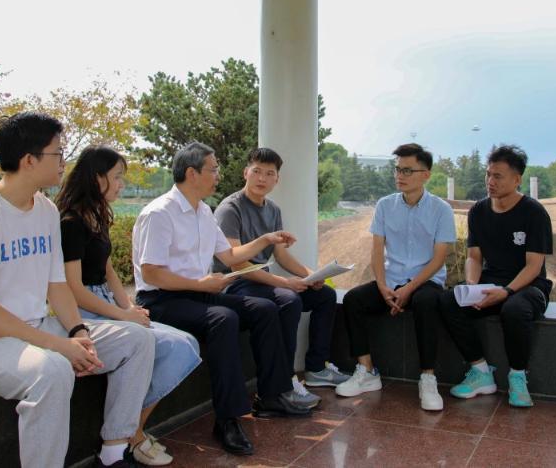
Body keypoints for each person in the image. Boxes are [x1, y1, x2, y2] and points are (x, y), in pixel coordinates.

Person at [0, 112, 155, 468]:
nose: (63, 162)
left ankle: (114, 450)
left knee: (137, 340)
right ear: (29, 160)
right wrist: (58, 345)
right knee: (54, 369)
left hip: (38, 328)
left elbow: (57, 285)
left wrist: (78, 331)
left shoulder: (44, 210)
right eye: (58, 153)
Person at [132, 142, 312, 457]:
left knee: (264, 308)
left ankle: (272, 395)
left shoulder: (203, 211)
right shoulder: (160, 213)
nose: (218, 175)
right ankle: (227, 419)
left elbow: (229, 256)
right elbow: (151, 273)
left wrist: (265, 240)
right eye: (213, 169)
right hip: (161, 299)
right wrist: (199, 284)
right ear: (192, 173)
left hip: (198, 293)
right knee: (223, 318)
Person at [56, 145, 202, 466]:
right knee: (160, 343)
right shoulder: (70, 223)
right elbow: (74, 289)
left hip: (108, 305)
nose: (122, 184)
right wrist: (122, 315)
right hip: (84, 312)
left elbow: (108, 270)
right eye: (117, 177)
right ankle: (127, 438)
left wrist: (129, 307)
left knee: (187, 345)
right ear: (97, 178)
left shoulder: (97, 216)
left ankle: (133, 427)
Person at [214, 148, 349, 408]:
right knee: (288, 299)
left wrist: (311, 275)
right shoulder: (230, 209)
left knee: (324, 295)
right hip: (235, 284)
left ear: (277, 179)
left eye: (269, 174)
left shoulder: (273, 210)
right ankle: (283, 381)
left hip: (259, 282)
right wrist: (285, 283)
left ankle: (316, 369)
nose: (262, 178)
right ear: (245, 172)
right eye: (256, 171)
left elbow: (282, 256)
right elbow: (236, 263)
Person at [335, 143, 456, 411]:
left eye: (407, 170)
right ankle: (367, 371)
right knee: (354, 300)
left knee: (426, 302)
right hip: (391, 280)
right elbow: (377, 251)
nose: (400, 175)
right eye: (397, 169)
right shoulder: (384, 205)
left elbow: (438, 259)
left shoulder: (441, 209)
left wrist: (409, 288)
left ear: (426, 174)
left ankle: (428, 378)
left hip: (425, 282)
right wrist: (382, 286)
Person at [438, 145, 553, 408]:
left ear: (517, 179)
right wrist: (472, 286)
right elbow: (474, 257)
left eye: (498, 176)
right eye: (488, 174)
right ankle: (480, 371)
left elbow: (534, 266)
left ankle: (518, 377)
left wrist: (507, 292)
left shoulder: (534, 213)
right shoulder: (479, 211)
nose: (491, 181)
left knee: (514, 309)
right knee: (448, 300)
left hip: (528, 286)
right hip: (491, 281)